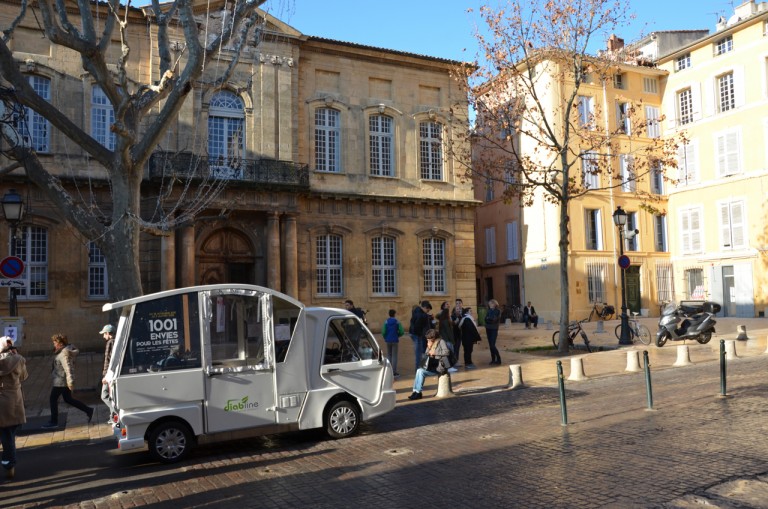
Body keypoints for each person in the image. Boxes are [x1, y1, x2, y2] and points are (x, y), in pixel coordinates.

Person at [42, 334, 93, 429]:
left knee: (52, 399)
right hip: (62, 380)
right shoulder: (63, 351)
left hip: (61, 381)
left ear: (60, 344)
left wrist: (70, 382)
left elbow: (68, 368)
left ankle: (54, 421)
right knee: (68, 399)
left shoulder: (63, 354)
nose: (53, 345)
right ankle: (89, 410)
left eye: (54, 343)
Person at [0, 340, 27, 480]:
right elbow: (24, 377)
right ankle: (9, 465)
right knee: (8, 435)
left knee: (5, 435)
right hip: (14, 402)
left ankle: (8, 463)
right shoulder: (19, 359)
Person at [407, 329, 450, 401]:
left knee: (421, 372)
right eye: (427, 339)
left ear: (434, 337)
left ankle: (418, 392)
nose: (428, 340)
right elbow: (427, 354)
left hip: (439, 366)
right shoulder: (430, 342)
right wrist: (429, 347)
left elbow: (447, 352)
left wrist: (435, 353)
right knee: (418, 370)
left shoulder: (441, 341)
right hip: (431, 365)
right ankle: (415, 391)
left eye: (429, 338)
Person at [408, 300, 432, 372]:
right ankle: (418, 369)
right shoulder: (421, 315)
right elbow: (417, 326)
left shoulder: (416, 311)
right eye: (427, 309)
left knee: (420, 351)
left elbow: (412, 321)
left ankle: (419, 367)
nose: (428, 311)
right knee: (419, 352)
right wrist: (420, 334)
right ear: (424, 307)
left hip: (413, 333)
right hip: (417, 334)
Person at [99, 324, 116, 423]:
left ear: (108, 333)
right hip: (110, 373)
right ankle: (113, 418)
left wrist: (106, 376)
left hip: (109, 374)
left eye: (104, 333)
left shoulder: (110, 342)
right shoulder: (113, 341)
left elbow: (110, 361)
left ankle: (116, 413)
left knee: (104, 395)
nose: (103, 336)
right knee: (110, 395)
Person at [381, 309, 404, 377]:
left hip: (388, 340)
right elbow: (402, 331)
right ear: (394, 314)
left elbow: (383, 331)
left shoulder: (386, 322)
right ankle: (394, 371)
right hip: (395, 340)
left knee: (389, 355)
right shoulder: (397, 322)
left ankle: (388, 370)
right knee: (394, 356)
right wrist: (398, 335)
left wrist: (385, 337)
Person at [436, 301, 458, 373]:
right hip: (447, 339)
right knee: (448, 354)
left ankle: (447, 367)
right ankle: (449, 367)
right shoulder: (446, 321)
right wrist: (452, 340)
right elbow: (449, 332)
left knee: (445, 354)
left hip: (444, 338)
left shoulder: (442, 320)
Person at [485, 299, 502, 365]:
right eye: (489, 304)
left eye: (491, 304)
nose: (490, 305)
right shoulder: (488, 311)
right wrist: (489, 319)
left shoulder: (498, 311)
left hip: (494, 328)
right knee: (490, 345)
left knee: (492, 345)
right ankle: (493, 359)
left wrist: (489, 319)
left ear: (495, 304)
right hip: (488, 328)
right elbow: (485, 319)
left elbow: (495, 320)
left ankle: (498, 358)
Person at [450, 298, 464, 366]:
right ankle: (455, 361)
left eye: (459, 303)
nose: (458, 305)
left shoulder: (464, 311)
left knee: (459, 347)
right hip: (455, 333)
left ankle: (457, 360)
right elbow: (452, 324)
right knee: (455, 347)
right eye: (456, 304)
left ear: (462, 304)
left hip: (463, 333)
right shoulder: (453, 315)